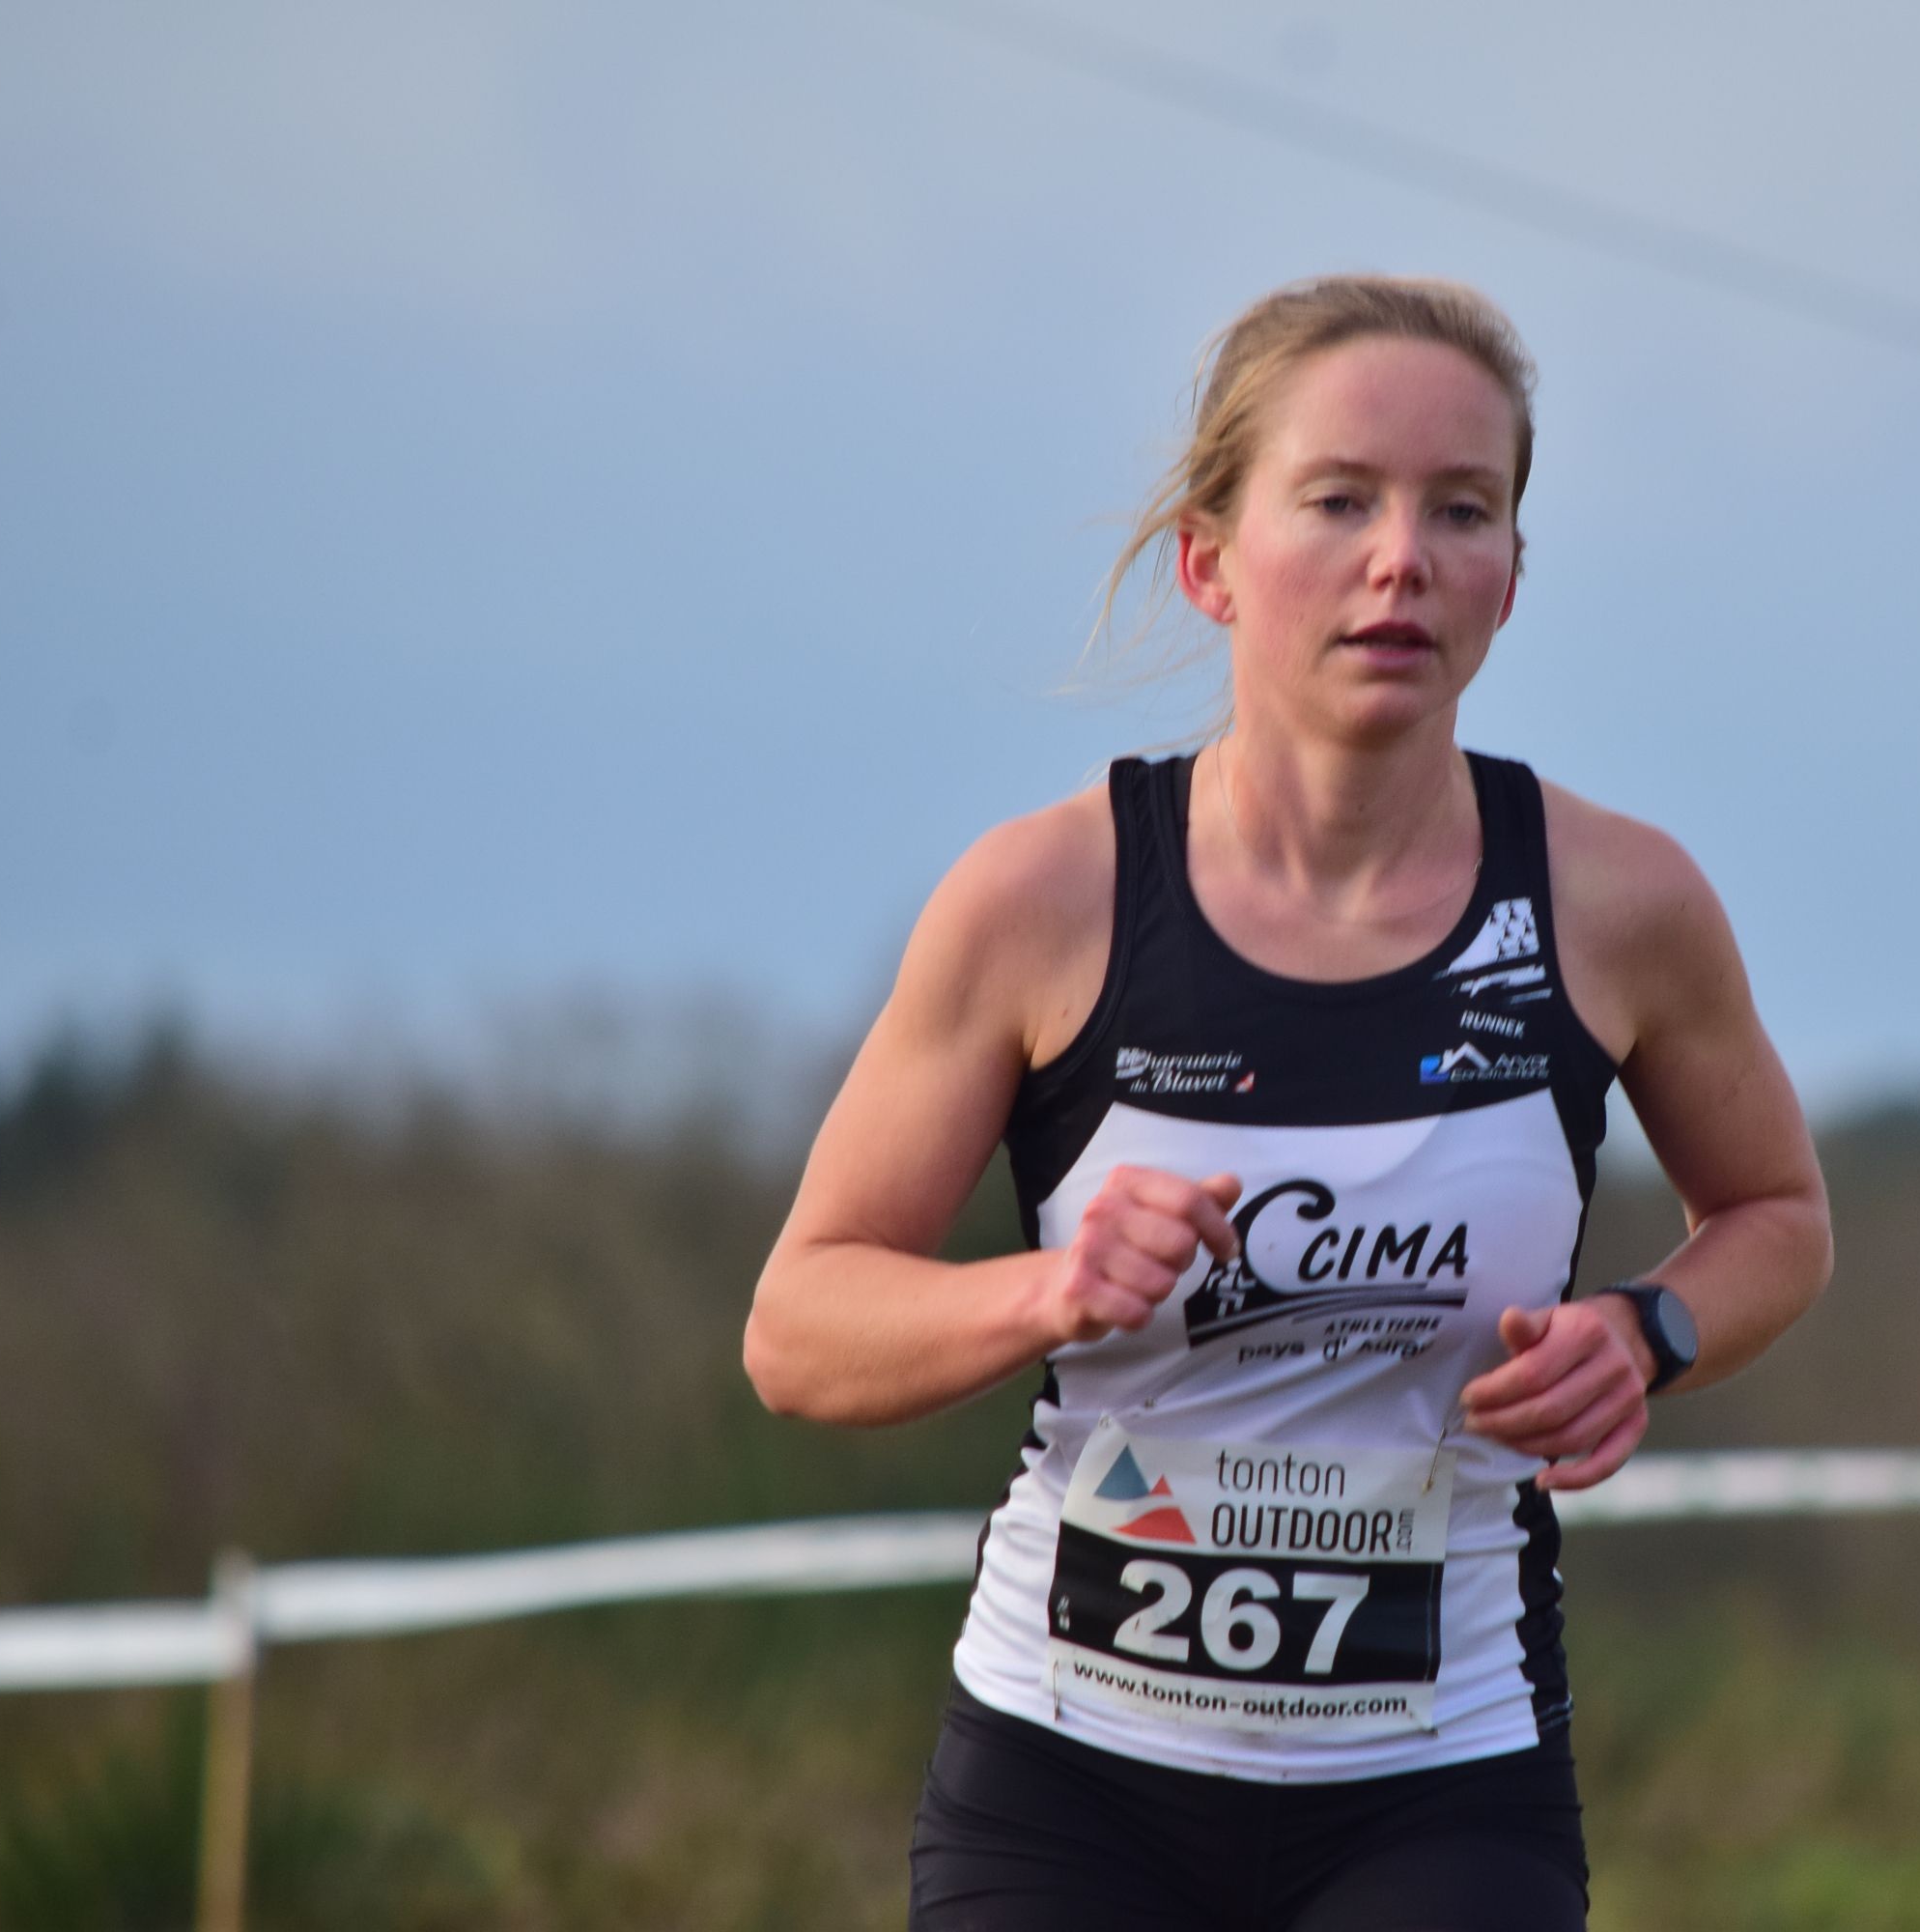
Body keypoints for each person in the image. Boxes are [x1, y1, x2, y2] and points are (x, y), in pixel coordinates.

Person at [744, 274, 1832, 1931]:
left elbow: (1778, 1218)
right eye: (1337, 501)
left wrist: (1647, 1332)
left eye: (1461, 509)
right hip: (1070, 1777)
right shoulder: (1042, 901)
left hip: (1444, 1782)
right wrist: (1049, 1289)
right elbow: (799, 1330)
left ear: (1513, 574)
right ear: (1211, 560)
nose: (1402, 558)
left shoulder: (1620, 904)